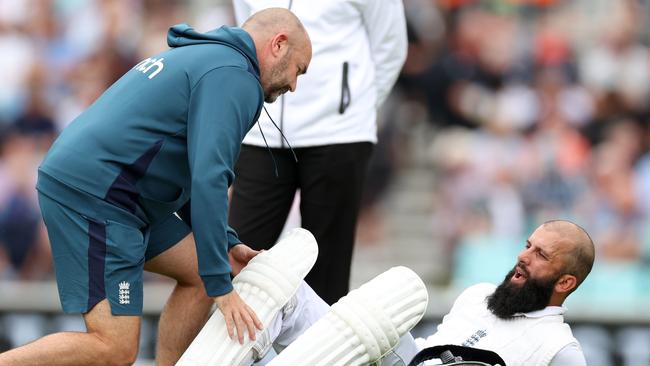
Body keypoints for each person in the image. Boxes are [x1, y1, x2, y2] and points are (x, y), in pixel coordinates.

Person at [0, 8, 312, 366]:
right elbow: (209, 178)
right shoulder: (235, 77)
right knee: (114, 348)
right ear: (279, 44)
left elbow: (193, 172)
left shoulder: (208, 57)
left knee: (201, 273)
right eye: (297, 70)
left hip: (116, 189)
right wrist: (221, 288)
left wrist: (225, 244)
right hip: (100, 194)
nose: (293, 85)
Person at [228, 0, 408, 305]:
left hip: (338, 134)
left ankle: (320, 354)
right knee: (237, 260)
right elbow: (248, 35)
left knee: (326, 275)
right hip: (263, 133)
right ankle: (228, 351)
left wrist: (354, 108)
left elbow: (390, 45)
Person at [243, 219, 595, 366]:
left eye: (540, 255)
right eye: (528, 245)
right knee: (286, 289)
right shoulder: (479, 294)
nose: (523, 256)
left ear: (565, 283)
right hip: (409, 359)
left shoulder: (560, 350)